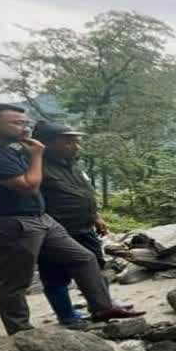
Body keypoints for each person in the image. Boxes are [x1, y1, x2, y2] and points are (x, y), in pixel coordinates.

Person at [0, 102, 142, 334]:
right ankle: (21, 331)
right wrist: (37, 155)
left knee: (84, 259)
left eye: (25, 123)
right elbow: (28, 185)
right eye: (16, 123)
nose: (24, 128)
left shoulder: (8, 151)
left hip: (39, 218)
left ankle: (102, 308)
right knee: (15, 281)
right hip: (9, 222)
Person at [32, 120, 114, 324]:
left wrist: (96, 216)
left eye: (76, 141)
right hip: (56, 230)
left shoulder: (73, 164)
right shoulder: (36, 166)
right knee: (55, 274)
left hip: (84, 226)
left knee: (96, 265)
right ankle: (67, 315)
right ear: (47, 144)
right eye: (69, 142)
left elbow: (85, 192)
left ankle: (103, 306)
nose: (77, 146)